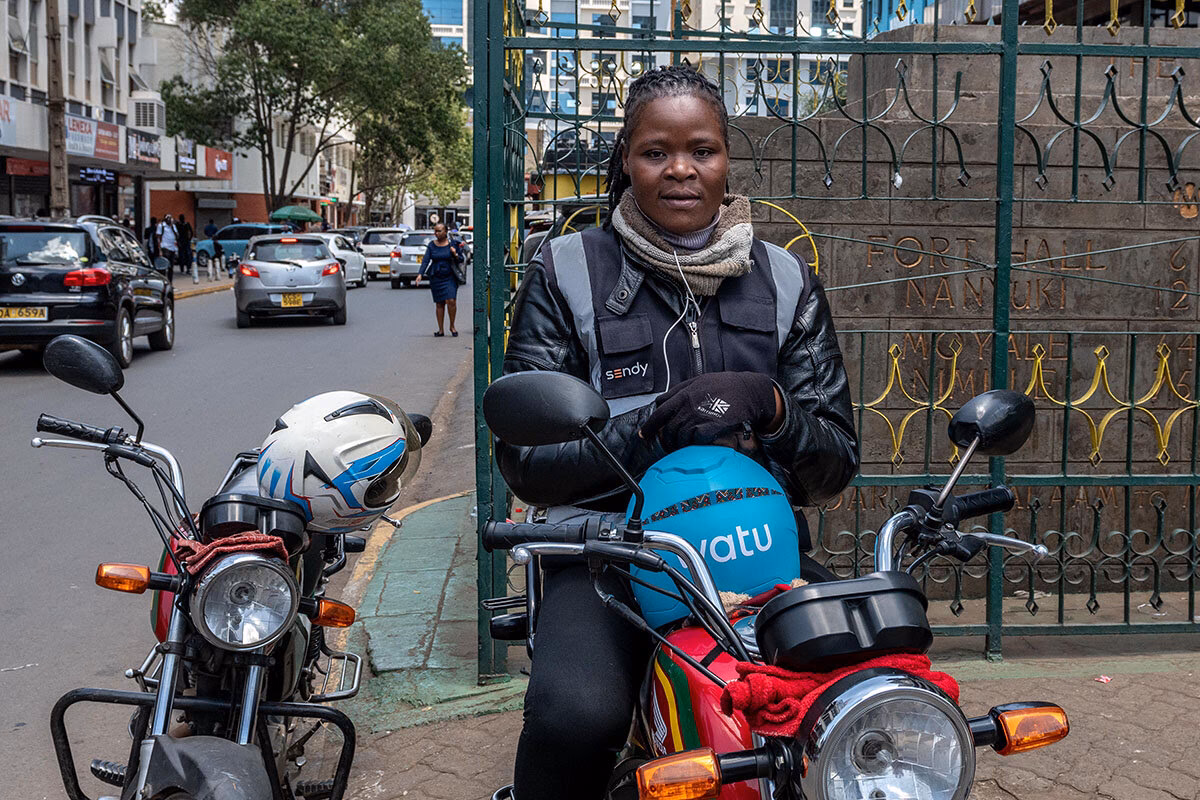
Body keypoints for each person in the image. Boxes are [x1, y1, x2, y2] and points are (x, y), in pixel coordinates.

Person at [494, 65, 859, 800]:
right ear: (627, 162)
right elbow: (527, 460)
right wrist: (652, 430)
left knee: (865, 690)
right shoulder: (565, 272)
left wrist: (774, 408)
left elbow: (834, 462)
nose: (681, 169)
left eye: (702, 150)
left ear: (727, 160)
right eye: (656, 152)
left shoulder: (787, 281)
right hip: (607, 557)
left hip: (758, 553)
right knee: (575, 715)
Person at [413, 222, 465, 337]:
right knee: (439, 303)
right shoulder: (432, 245)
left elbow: (461, 259)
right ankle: (440, 329)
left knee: (451, 300)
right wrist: (420, 274)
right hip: (436, 276)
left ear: (445, 232)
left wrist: (455, 254)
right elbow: (426, 260)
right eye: (435, 231)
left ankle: (452, 326)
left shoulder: (453, 244)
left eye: (439, 231)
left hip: (450, 275)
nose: (436, 233)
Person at [156, 214, 178, 281]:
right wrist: (160, 250)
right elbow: (158, 238)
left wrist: (172, 227)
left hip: (172, 248)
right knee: (164, 266)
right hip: (164, 247)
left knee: (171, 267)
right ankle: (163, 280)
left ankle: (170, 281)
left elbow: (177, 235)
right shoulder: (161, 226)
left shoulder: (173, 226)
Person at [175, 213, 195, 282]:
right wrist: (189, 238)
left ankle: (184, 269)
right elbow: (191, 232)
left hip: (183, 242)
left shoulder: (180, 225)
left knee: (184, 255)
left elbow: (191, 232)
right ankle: (186, 269)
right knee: (186, 255)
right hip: (184, 241)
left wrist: (178, 240)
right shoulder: (184, 224)